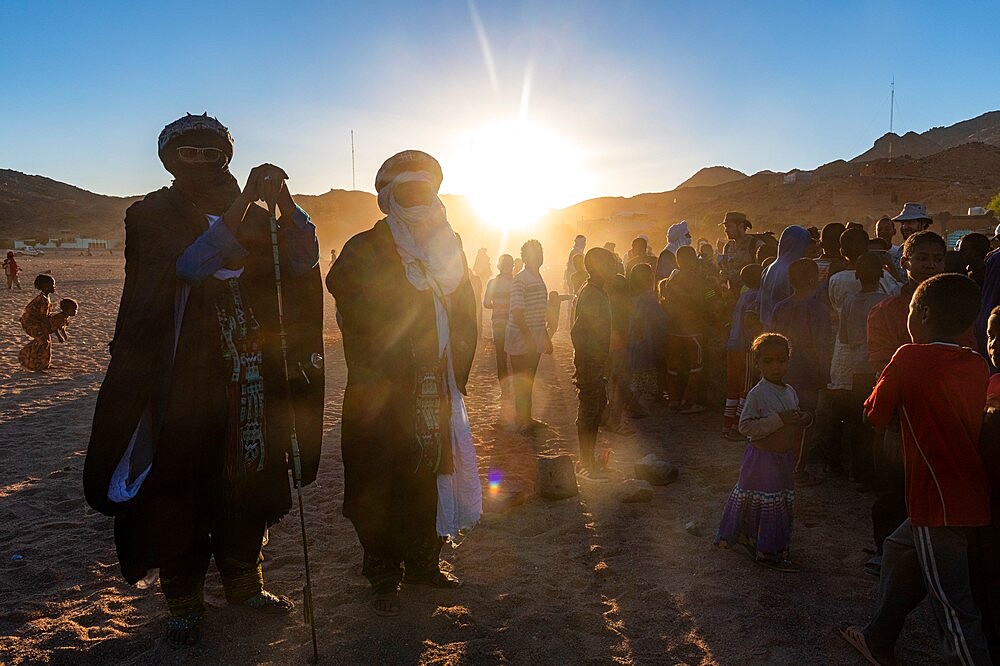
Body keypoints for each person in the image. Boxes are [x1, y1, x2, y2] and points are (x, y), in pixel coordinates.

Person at [83, 113, 324, 645]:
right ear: (169, 158)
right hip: (180, 376)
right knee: (179, 484)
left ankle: (243, 581)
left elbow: (304, 262)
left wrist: (284, 205)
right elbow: (192, 264)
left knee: (249, 473)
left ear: (225, 156)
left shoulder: (262, 218)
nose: (197, 161)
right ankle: (184, 599)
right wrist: (246, 206)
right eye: (185, 152)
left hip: (250, 373)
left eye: (208, 152)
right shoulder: (151, 214)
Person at [326, 149, 479, 617]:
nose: (417, 199)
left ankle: (423, 562)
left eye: (425, 190)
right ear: (389, 196)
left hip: (434, 386)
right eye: (407, 191)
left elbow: (465, 311)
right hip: (383, 389)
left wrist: (455, 369)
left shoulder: (450, 247)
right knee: (380, 475)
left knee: (431, 471)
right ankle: (382, 570)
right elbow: (345, 291)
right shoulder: (364, 248)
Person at [841, 273, 992, 666]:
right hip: (969, 491)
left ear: (921, 314)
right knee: (896, 548)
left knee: (953, 607)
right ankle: (879, 636)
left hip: (935, 499)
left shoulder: (909, 356)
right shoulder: (976, 364)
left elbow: (873, 414)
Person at [715, 333, 811, 572]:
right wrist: (779, 420)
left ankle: (767, 545)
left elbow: (794, 417)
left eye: (780, 361)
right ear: (757, 363)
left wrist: (804, 419)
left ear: (788, 361)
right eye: (768, 361)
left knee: (776, 503)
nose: (775, 367)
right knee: (764, 503)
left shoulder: (789, 391)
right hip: (761, 460)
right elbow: (745, 426)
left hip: (782, 460)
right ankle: (765, 552)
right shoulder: (758, 393)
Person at [771, 258, 830, 486]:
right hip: (807, 373)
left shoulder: (780, 307)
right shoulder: (818, 309)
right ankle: (797, 470)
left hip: (782, 371)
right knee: (806, 421)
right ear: (813, 279)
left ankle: (781, 465)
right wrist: (824, 374)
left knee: (785, 420)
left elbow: (772, 338)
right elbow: (822, 345)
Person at [837, 253, 890, 489]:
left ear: (857, 275)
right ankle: (882, 473)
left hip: (858, 367)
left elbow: (844, 337)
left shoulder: (849, 301)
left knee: (861, 424)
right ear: (881, 273)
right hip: (882, 368)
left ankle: (861, 475)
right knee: (882, 424)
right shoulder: (886, 300)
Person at [572, 247, 616, 478]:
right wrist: (589, 359)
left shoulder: (595, 291)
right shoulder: (592, 294)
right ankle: (586, 462)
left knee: (596, 406)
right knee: (590, 409)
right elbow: (578, 331)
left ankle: (587, 460)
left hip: (594, 360)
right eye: (610, 264)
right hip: (590, 361)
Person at [659, 245, 716, 413]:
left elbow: (666, 298)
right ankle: (688, 403)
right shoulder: (699, 279)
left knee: (672, 367)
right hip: (693, 328)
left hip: (673, 328)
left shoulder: (672, 278)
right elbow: (708, 297)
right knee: (696, 367)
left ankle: (673, 399)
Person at [506, 239, 552, 433]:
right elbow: (517, 313)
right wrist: (529, 338)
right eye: (535, 253)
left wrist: (545, 337)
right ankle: (521, 420)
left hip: (535, 337)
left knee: (529, 380)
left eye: (540, 252)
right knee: (521, 381)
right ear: (525, 257)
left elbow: (539, 311)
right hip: (520, 339)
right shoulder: (521, 279)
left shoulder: (538, 277)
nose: (539, 256)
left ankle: (527, 418)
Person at [723, 264, 763, 441]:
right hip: (745, 347)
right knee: (745, 389)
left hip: (733, 345)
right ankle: (737, 427)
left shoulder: (744, 295)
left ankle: (727, 425)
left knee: (734, 387)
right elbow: (750, 320)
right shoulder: (756, 296)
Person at [629, 262, 668, 403]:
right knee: (646, 371)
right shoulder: (649, 298)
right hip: (647, 340)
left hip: (635, 339)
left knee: (637, 371)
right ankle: (637, 402)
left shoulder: (633, 297)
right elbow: (660, 320)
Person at [758, 225, 812, 329]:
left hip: (768, 327)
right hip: (788, 328)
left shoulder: (769, 268)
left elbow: (760, 301)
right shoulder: (794, 270)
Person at [483, 254, 514, 415]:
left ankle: (505, 392)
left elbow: (486, 303)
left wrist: (498, 305)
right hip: (514, 326)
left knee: (501, 360)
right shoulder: (516, 283)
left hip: (498, 324)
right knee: (515, 359)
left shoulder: (492, 283)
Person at [18, 274, 56, 371]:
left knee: (46, 341)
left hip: (35, 322)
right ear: (46, 286)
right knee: (43, 341)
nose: (54, 287)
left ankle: (44, 364)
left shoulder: (45, 297)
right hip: (31, 323)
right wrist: (50, 327)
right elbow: (43, 316)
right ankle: (29, 358)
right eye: (52, 285)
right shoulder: (43, 299)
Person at [720, 211, 764, 294]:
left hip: (751, 295)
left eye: (729, 227)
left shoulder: (755, 245)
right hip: (732, 294)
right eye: (725, 227)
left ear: (740, 227)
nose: (726, 230)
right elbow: (724, 268)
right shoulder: (727, 247)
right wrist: (723, 283)